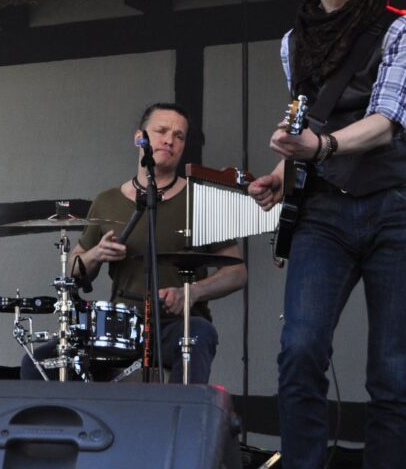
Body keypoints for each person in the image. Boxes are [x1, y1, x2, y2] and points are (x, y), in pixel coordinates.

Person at [248, 0, 406, 469]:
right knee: (299, 350)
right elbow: (312, 117)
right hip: (325, 213)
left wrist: (320, 150)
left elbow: (387, 120)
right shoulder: (293, 42)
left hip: (398, 208)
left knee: (394, 370)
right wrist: (283, 174)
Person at [21, 103, 247, 383]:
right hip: (118, 328)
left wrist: (192, 293)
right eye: (161, 131)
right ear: (139, 137)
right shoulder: (108, 201)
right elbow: (74, 273)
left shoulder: (203, 201)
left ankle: (180, 422)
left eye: (179, 136)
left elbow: (237, 272)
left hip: (176, 326)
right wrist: (96, 254)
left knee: (199, 334)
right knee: (39, 363)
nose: (169, 140)